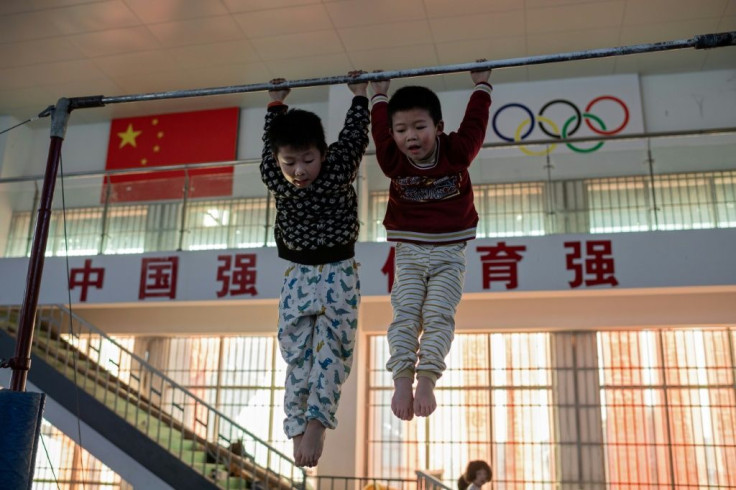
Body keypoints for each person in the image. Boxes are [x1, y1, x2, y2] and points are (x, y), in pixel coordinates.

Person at [369, 65, 492, 420]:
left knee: (438, 316)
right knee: (405, 313)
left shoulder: (457, 151)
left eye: (420, 127)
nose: (411, 137)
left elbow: (475, 124)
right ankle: (402, 377)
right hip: (408, 250)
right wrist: (378, 93)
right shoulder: (391, 156)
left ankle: (427, 377)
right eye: (402, 129)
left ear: (438, 128)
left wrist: (482, 87)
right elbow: (378, 129)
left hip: (450, 252)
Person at [260, 71, 370, 467]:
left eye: (308, 159)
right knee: (296, 352)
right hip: (298, 274)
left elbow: (355, 138)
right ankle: (295, 424)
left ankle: (317, 422)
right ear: (278, 161)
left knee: (333, 349)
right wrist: (276, 103)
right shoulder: (275, 174)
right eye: (290, 162)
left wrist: (361, 97)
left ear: (323, 152)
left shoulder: (338, 168)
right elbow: (271, 141)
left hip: (339, 269)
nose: (299, 170)